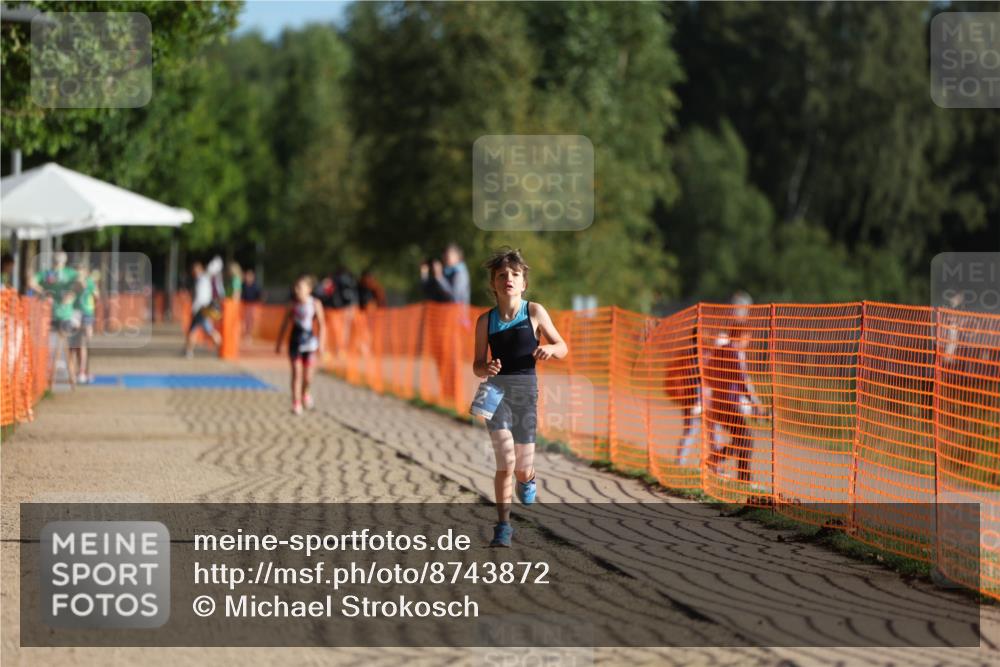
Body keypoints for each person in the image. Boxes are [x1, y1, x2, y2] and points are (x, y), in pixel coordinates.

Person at [472, 248, 568, 547]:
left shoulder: (535, 312)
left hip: (525, 393)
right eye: (502, 275)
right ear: (493, 284)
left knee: (522, 467)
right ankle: (503, 526)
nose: (508, 279)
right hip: (495, 393)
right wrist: (485, 367)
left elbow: (562, 345)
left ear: (524, 283)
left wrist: (550, 350)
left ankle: (528, 479)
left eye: (515, 275)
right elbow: (476, 365)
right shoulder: (485, 322)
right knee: (505, 461)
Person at [704, 291, 765, 489]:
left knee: (742, 438)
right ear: (741, 336)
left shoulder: (720, 350)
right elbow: (743, 382)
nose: (749, 341)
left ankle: (715, 460)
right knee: (745, 438)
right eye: (747, 338)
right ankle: (743, 480)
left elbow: (709, 373)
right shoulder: (735, 353)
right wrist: (756, 405)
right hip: (729, 404)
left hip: (718, 403)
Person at [275, 275, 326, 416]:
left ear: (308, 289)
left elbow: (322, 324)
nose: (297, 290)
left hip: (309, 343)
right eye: (295, 287)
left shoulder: (315, 304)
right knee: (296, 373)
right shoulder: (292, 305)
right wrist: (279, 343)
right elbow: (284, 324)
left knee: (308, 377)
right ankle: (296, 402)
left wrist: (321, 344)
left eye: (300, 287)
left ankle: (306, 393)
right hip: (295, 342)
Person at [184, 261, 222, 358]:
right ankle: (189, 351)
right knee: (198, 330)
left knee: (203, 330)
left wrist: (196, 308)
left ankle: (189, 352)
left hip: (201, 309)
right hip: (203, 308)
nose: (194, 272)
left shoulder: (202, 279)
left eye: (195, 269)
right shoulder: (203, 279)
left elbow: (200, 297)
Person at [70, 263, 99, 384]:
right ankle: (74, 372)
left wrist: (92, 301)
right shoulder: (71, 283)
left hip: (87, 314)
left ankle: (83, 372)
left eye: (81, 271)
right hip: (74, 313)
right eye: (77, 271)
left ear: (85, 272)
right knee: (74, 345)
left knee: (84, 343)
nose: (79, 274)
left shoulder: (89, 282)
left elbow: (97, 295)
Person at [241, 269, 262, 337]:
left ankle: (249, 333)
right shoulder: (243, 285)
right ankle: (245, 333)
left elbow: (259, 295)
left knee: (251, 320)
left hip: (253, 305)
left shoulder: (255, 286)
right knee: (245, 320)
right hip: (244, 305)